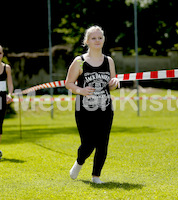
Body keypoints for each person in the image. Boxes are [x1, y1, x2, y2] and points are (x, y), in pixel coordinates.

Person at [65, 26, 120, 184]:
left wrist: (115, 82)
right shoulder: (79, 61)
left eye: (100, 38)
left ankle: (96, 177)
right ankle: (79, 163)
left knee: (102, 142)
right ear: (87, 41)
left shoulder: (109, 61)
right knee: (88, 143)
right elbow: (68, 83)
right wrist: (80, 90)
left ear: (104, 40)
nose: (97, 41)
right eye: (94, 38)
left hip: (105, 108)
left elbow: (111, 85)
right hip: (84, 109)